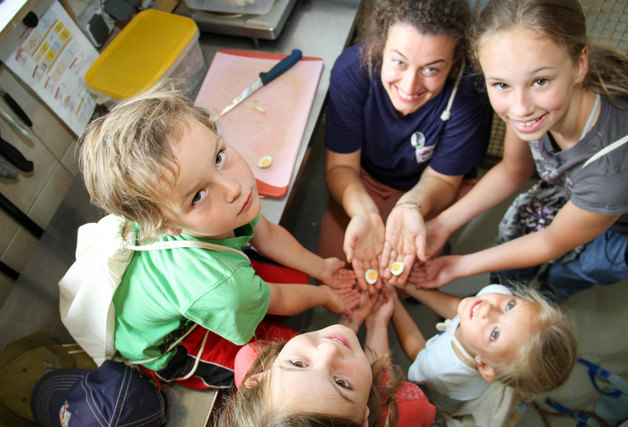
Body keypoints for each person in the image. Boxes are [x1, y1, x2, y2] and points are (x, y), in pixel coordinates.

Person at [77, 82, 358, 389]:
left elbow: (266, 234)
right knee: (273, 366)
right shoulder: (221, 285)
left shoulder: (220, 206)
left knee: (298, 285)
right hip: (173, 341)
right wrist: (328, 296)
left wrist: (322, 269)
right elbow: (274, 297)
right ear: (166, 225)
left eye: (219, 157)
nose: (233, 188)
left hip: (201, 290)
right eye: (197, 196)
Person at [413, 0, 628, 300]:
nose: (520, 108)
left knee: (576, 269)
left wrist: (456, 266)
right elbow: (513, 169)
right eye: (501, 85)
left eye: (540, 81)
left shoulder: (612, 168)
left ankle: (550, 293)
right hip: (575, 190)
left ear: (580, 64)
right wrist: (442, 224)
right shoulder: (533, 106)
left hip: (624, 217)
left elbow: (551, 242)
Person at [316, 0, 493, 290]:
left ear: (455, 62)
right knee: (336, 268)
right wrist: (365, 211)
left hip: (431, 186)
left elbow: (443, 179)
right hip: (363, 176)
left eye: (432, 70)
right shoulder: (353, 71)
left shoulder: (470, 91)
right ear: (380, 45)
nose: (410, 87)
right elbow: (341, 166)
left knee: (405, 277)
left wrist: (410, 205)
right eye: (399, 62)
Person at [215, 289, 437, 426]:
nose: (329, 351)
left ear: (258, 380)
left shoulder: (252, 356)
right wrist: (378, 321)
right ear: (364, 419)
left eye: (298, 364)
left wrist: (352, 319)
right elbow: (381, 376)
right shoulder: (407, 407)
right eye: (341, 383)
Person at [391, 283, 576, 417]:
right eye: (510, 306)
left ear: (484, 365)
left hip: (443, 391)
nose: (488, 307)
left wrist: (394, 303)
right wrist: (410, 286)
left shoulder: (442, 369)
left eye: (495, 334)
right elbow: (459, 310)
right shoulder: (495, 298)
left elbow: (417, 350)